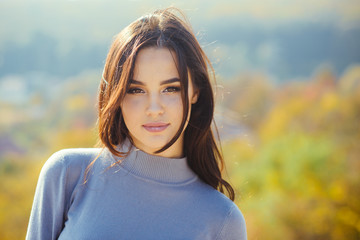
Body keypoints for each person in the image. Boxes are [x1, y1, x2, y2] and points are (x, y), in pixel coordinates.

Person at [26, 7, 247, 240]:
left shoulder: (223, 220)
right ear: (117, 94)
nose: (153, 109)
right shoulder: (67, 174)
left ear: (196, 92)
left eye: (171, 89)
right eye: (136, 90)